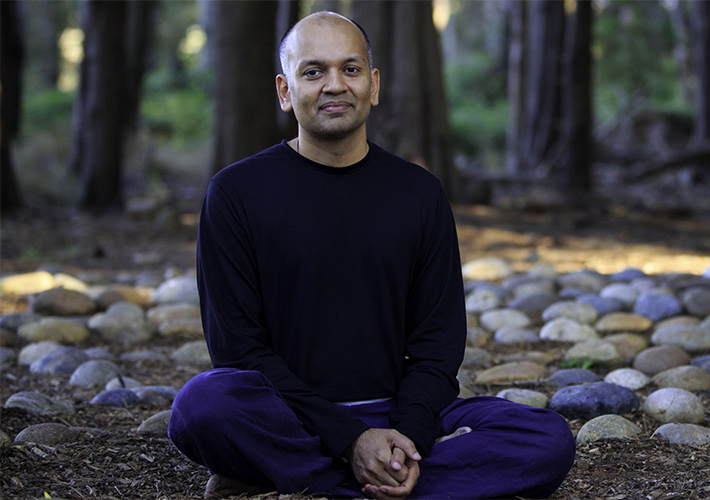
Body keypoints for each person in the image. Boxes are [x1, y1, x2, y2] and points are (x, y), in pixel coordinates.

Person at [168, 11, 575, 500]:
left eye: (351, 69)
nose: (335, 85)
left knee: (546, 439)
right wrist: (350, 440)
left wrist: (406, 434)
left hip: (395, 410)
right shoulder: (236, 193)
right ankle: (384, 478)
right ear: (284, 91)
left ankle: (303, 478)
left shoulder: (418, 193)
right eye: (313, 71)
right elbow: (237, 350)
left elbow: (437, 344)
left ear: (374, 84)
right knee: (202, 405)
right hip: (288, 414)